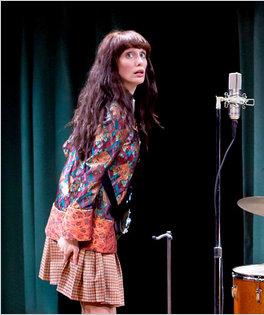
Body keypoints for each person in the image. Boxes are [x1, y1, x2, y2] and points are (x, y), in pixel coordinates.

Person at [38, 30, 160, 314]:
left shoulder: (118, 107)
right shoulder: (115, 113)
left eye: (142, 55)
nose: (139, 61)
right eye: (129, 55)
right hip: (90, 225)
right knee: (100, 310)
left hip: (93, 222)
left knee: (101, 308)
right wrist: (72, 232)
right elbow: (86, 171)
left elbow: (76, 158)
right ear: (113, 64)